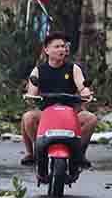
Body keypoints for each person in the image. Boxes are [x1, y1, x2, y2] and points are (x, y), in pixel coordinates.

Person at [22, 32, 96, 167]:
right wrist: (30, 96)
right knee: (28, 118)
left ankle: (79, 152)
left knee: (90, 118)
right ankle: (37, 150)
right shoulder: (38, 70)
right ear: (46, 50)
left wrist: (86, 94)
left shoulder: (73, 68)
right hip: (46, 112)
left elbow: (82, 87)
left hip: (71, 112)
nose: (61, 49)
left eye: (63, 46)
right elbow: (32, 94)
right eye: (56, 47)